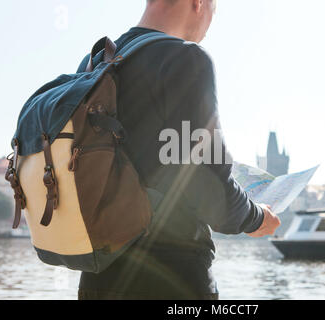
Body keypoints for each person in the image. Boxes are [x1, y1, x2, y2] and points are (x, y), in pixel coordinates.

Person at [77, 0, 281, 300]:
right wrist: (256, 217)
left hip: (98, 277)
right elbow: (207, 182)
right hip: (172, 274)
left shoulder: (95, 61)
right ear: (199, 3)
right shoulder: (185, 58)